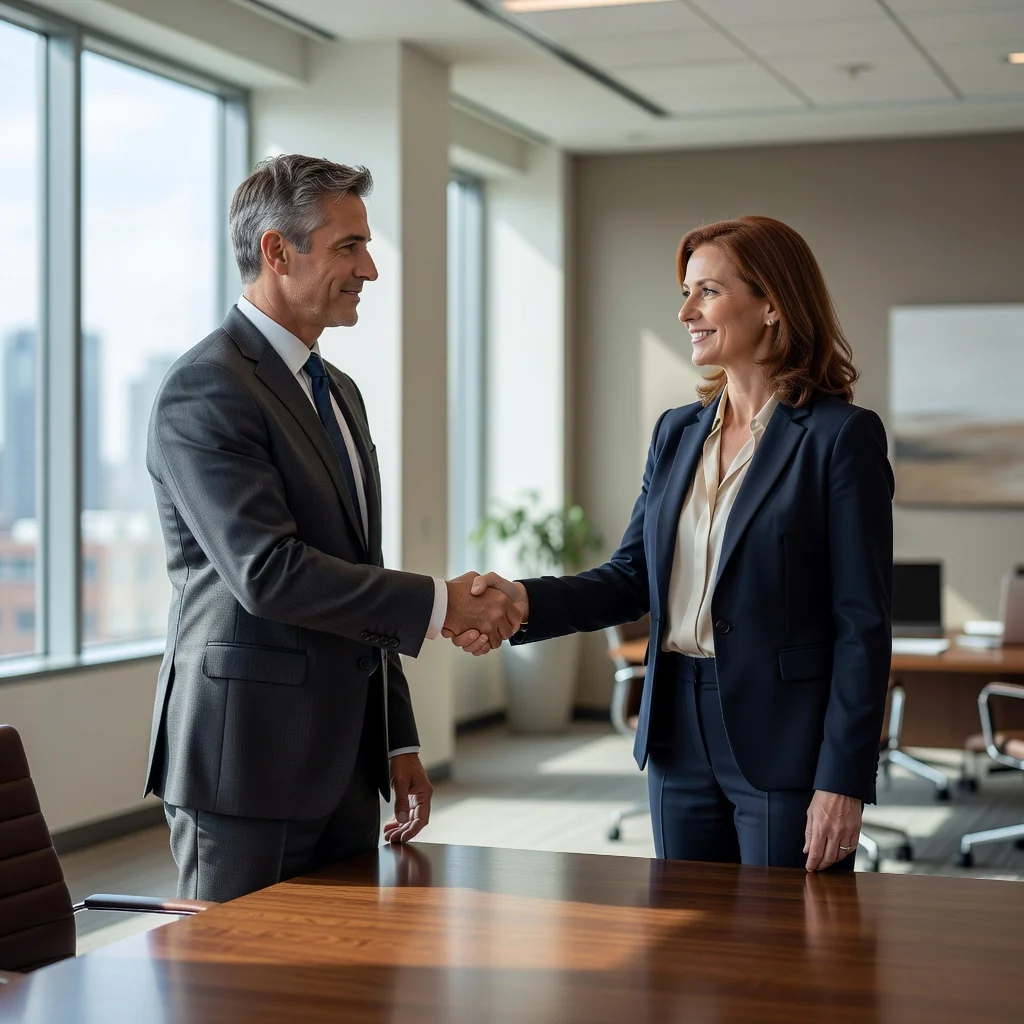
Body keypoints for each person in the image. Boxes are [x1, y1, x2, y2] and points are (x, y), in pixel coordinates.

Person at [450, 215, 893, 872]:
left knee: (787, 952)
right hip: (676, 729)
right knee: (684, 949)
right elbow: (633, 576)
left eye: (707, 292)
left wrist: (844, 779)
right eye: (685, 293)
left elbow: (862, 624)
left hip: (784, 738)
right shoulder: (677, 433)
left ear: (772, 304)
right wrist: (521, 601)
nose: (686, 311)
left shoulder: (837, 438)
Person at [145, 154, 522, 902]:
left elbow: (360, 569)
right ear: (277, 251)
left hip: (346, 762)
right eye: (349, 245)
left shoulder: (337, 391)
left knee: (346, 990)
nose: (370, 269)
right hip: (245, 764)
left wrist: (397, 735)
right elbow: (270, 574)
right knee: (240, 996)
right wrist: (444, 604)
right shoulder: (205, 389)